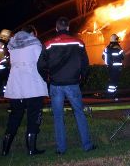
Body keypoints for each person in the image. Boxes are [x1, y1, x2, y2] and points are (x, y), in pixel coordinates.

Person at [37, 17, 96, 154]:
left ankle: (61, 149)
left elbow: (40, 65)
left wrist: (47, 78)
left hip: (56, 84)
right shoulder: (79, 42)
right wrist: (82, 78)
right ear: (68, 28)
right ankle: (87, 146)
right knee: (79, 113)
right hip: (73, 83)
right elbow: (85, 64)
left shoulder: (49, 44)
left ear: (56, 28)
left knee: (58, 116)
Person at [2, 25, 48, 156]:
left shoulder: (12, 47)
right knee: (33, 117)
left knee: (14, 117)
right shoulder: (36, 45)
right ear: (32, 33)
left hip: (16, 87)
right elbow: (43, 64)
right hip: (33, 86)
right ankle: (31, 149)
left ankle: (5, 150)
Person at [102, 34, 124, 100]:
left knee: (111, 80)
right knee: (114, 81)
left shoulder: (107, 48)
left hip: (109, 67)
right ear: (116, 39)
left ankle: (111, 94)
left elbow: (103, 57)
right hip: (116, 68)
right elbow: (122, 57)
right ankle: (111, 95)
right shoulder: (118, 48)